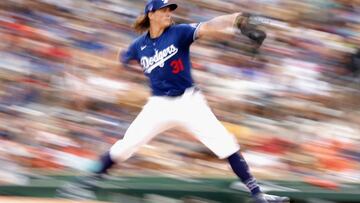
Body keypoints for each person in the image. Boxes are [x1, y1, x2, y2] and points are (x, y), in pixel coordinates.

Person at [58, 1, 289, 203]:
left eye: (170, 9)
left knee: (226, 144)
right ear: (151, 14)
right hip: (158, 106)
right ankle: (85, 184)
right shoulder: (138, 46)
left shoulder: (179, 32)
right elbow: (115, 63)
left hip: (189, 103)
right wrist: (82, 66)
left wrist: (237, 19)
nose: (169, 12)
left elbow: (209, 26)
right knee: (124, 147)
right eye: (164, 9)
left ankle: (258, 195)